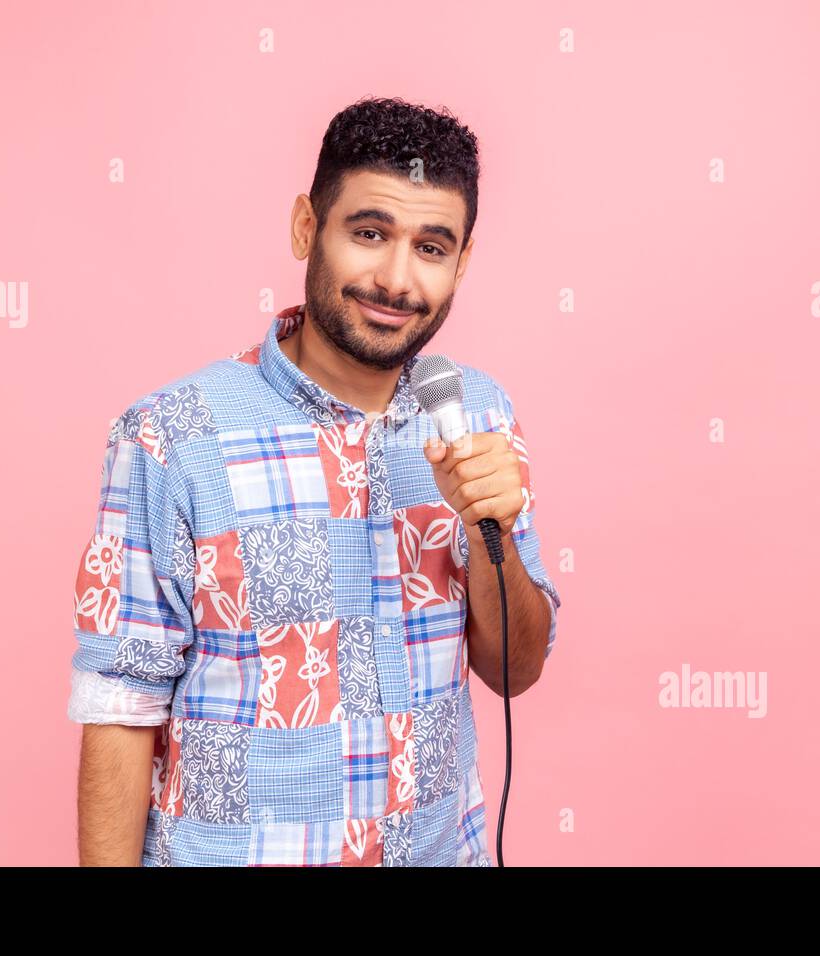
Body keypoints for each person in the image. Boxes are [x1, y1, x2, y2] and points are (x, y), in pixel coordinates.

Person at [67, 96, 562, 866]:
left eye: (431, 248)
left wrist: (481, 526)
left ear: (462, 261)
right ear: (307, 226)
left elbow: (513, 671)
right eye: (370, 234)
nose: (396, 280)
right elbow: (120, 706)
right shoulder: (171, 435)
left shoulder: (477, 415)